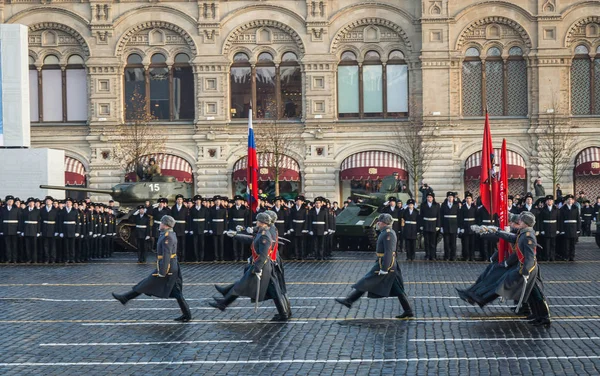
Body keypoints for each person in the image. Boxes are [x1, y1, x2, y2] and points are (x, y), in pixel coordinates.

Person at [464, 212, 551, 327]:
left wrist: (526, 271)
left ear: (525, 223)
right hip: (524, 267)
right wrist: (497, 231)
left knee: (537, 295)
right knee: (530, 294)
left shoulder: (528, 235)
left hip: (529, 269)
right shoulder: (523, 233)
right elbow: (512, 237)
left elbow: (529, 257)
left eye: (521, 221)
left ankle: (544, 317)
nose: (518, 222)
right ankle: (536, 315)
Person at [210, 212, 289, 321]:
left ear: (263, 222)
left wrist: (257, 268)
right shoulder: (264, 231)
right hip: (262, 264)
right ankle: (223, 301)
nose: (256, 223)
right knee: (245, 285)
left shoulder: (266, 233)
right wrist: (238, 234)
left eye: (258, 221)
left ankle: (284, 314)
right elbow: (254, 237)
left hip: (264, 265)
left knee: (270, 290)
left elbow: (263, 252)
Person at [112, 215, 192, 322]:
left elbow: (167, 255)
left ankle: (125, 298)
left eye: (162, 223)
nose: (160, 224)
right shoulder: (167, 234)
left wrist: (162, 272)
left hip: (167, 267)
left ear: (166, 225)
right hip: (170, 266)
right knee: (154, 285)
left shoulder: (167, 236)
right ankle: (125, 298)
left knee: (148, 283)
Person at [335, 213, 414, 319]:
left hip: (386, 264)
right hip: (384, 263)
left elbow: (389, 252)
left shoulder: (388, 233)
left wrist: (385, 268)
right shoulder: (384, 232)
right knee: (397, 289)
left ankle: (349, 300)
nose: (378, 223)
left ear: (384, 223)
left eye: (379, 222)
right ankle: (408, 311)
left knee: (367, 281)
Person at [419, 192, 440, 260]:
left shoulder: (437, 205)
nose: (429, 198)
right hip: (426, 224)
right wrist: (421, 225)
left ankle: (433, 255)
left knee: (433, 241)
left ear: (433, 198)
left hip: (433, 224)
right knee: (426, 241)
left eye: (430, 197)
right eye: (428, 197)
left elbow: (439, 216)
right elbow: (421, 215)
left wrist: (438, 225)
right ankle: (427, 255)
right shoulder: (423, 205)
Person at [559, 194, 580, 261]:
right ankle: (566, 256)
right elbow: (561, 220)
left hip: (573, 227)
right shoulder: (563, 208)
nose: (570, 200)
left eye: (571, 199)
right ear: (566, 200)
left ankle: (572, 256)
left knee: (572, 243)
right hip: (566, 227)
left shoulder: (575, 208)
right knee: (566, 244)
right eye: (568, 199)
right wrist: (561, 229)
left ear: (573, 201)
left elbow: (578, 219)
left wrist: (578, 229)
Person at [188, 195, 209, 261]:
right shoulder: (192, 209)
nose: (198, 201)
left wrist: (206, 228)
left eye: (199, 200)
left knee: (202, 244)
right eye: (196, 200)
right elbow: (190, 220)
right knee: (195, 244)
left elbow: (206, 219)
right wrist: (190, 229)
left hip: (202, 227)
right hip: (194, 228)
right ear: (195, 201)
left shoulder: (204, 208)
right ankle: (196, 257)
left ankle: (201, 257)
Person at [287, 195, 308, 260]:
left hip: (301, 227)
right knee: (295, 243)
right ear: (295, 202)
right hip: (295, 227)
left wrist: (305, 228)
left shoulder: (304, 209)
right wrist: (291, 227)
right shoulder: (292, 209)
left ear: (302, 202)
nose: (298, 202)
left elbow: (306, 219)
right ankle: (296, 255)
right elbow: (290, 219)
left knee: (301, 243)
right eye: (297, 201)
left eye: (300, 201)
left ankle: (302, 255)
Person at [439, 191, 459, 261]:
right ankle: (446, 256)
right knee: (446, 242)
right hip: (446, 225)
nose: (450, 198)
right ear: (447, 198)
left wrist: (458, 227)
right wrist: (441, 226)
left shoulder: (456, 205)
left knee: (453, 242)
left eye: (451, 197)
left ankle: (453, 256)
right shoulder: (444, 205)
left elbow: (459, 216)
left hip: (454, 225)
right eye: (449, 197)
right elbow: (441, 216)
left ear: (453, 198)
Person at [459, 192, 477, 261]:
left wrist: (476, 226)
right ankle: (466, 256)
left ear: (472, 199)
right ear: (465, 199)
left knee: (472, 243)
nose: (468, 199)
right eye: (467, 198)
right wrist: (461, 228)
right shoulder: (463, 207)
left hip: (472, 225)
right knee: (465, 243)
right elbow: (460, 218)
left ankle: (472, 256)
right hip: (465, 226)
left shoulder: (474, 207)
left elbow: (476, 217)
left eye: (469, 198)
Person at [171, 194, 189, 262]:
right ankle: (177, 256)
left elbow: (187, 219)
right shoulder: (173, 208)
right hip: (175, 227)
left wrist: (187, 229)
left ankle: (183, 257)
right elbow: (171, 217)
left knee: (183, 243)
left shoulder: (185, 208)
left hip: (183, 227)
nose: (179, 201)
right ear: (176, 200)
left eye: (181, 199)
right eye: (178, 199)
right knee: (176, 243)